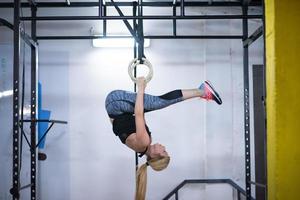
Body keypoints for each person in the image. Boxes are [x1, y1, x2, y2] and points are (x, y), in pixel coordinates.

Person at [105, 77, 222, 200]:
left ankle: (202, 90)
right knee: (155, 104)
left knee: (158, 102)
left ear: (155, 155)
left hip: (116, 103)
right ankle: (201, 91)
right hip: (115, 108)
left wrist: (141, 88)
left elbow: (138, 113)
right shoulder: (141, 146)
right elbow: (134, 117)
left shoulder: (144, 142)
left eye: (164, 152)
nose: (164, 147)